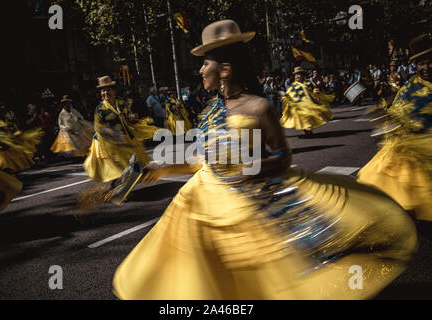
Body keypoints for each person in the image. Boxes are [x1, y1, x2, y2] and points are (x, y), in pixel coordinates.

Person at [113, 19, 417, 300]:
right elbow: (204, 161)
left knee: (262, 277)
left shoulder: (259, 108)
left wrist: (254, 167)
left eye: (205, 63)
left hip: (248, 202)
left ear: (226, 69)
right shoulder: (207, 113)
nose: (201, 70)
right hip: (200, 204)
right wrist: (163, 167)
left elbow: (283, 157)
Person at [358, 33, 432, 222]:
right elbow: (396, 116)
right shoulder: (409, 87)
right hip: (411, 153)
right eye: (420, 63)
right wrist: (383, 117)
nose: (425, 68)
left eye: (429, 61)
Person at [84, 76, 157, 184]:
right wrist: (111, 132)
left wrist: (132, 117)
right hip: (107, 141)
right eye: (103, 90)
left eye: (108, 90)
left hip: (123, 136)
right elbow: (98, 127)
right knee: (116, 165)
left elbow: (127, 116)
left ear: (114, 91)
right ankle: (117, 185)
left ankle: (131, 179)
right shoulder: (100, 109)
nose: (106, 93)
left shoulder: (121, 104)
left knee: (134, 157)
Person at [0, 103, 42, 173]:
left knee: (12, 165)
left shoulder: (9, 122)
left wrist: (17, 135)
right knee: (1, 164)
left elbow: (15, 131)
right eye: (1, 111)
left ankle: (12, 176)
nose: (4, 113)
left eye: (4, 111)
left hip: (9, 146)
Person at [279, 66, 334, 136]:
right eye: (296, 74)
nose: (297, 76)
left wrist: (315, 91)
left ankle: (308, 129)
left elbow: (313, 89)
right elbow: (288, 94)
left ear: (303, 75)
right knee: (303, 117)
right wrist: (285, 97)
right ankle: (307, 129)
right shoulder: (293, 85)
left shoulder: (308, 82)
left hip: (309, 103)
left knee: (310, 115)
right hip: (299, 105)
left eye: (299, 74)